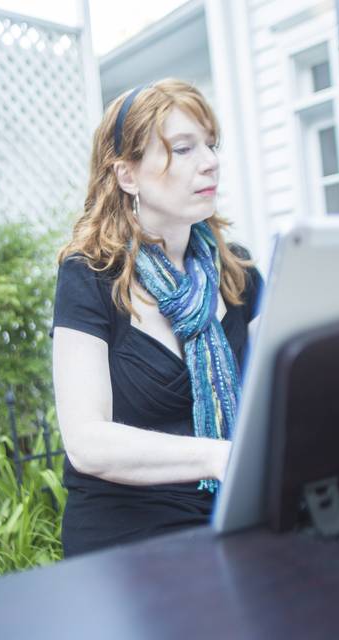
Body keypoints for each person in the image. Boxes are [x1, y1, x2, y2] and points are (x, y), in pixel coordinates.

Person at [52, 79, 263, 556]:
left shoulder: (239, 273)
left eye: (210, 144)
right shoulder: (89, 276)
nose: (210, 161)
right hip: (127, 539)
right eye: (183, 149)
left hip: (234, 519)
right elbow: (87, 442)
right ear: (128, 175)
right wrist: (218, 455)